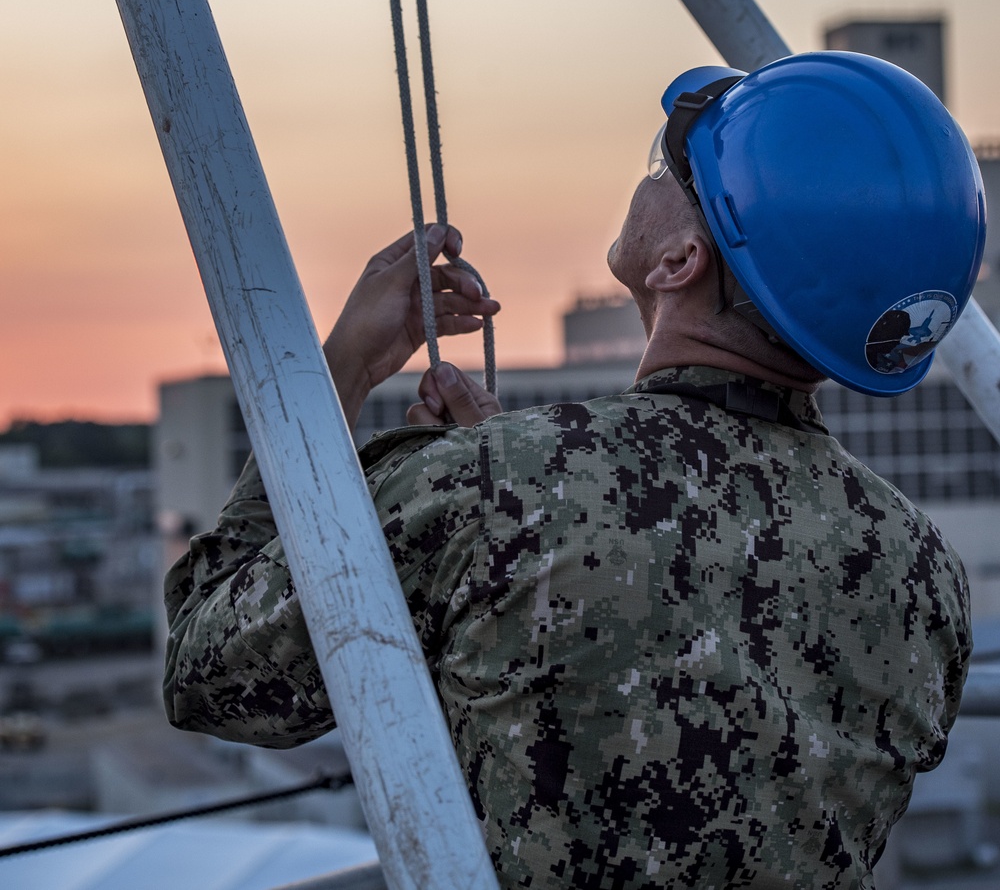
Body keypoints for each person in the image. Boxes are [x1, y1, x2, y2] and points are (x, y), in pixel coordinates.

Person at [163, 52, 984, 889]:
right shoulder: (924, 573)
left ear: (679, 261)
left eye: (673, 165)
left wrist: (339, 372)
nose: (654, 172)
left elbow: (205, 672)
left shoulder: (493, 489)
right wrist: (503, 486)